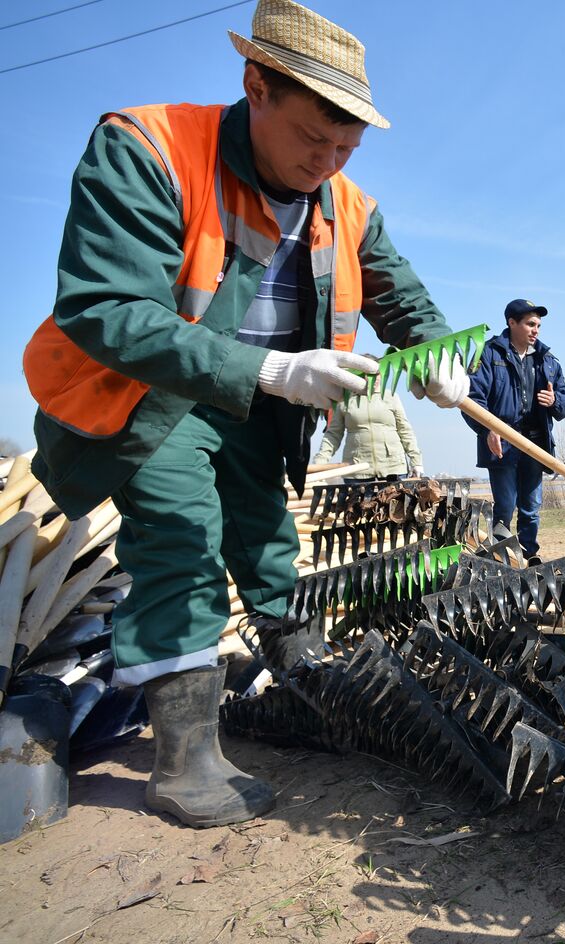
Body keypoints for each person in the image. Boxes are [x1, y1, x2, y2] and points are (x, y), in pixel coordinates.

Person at [21, 0, 471, 828]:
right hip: (154, 395)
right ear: (254, 85)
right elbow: (105, 307)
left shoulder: (347, 201)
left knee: (264, 533)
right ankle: (184, 759)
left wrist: (437, 354)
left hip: (260, 406)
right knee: (183, 541)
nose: (327, 161)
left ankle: (303, 672)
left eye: (346, 146)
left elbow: (398, 292)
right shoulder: (147, 146)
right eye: (313, 139)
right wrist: (266, 365)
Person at [464, 299, 565, 566]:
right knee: (504, 505)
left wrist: (554, 402)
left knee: (531, 507)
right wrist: (488, 428)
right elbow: (470, 399)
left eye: (538, 325)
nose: (535, 330)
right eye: (529, 324)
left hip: (535, 444)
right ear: (511, 323)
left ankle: (529, 554)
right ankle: (502, 557)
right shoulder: (487, 355)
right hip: (502, 442)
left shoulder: (547, 361)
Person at [312, 392, 425, 481]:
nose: (372, 378)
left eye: (376, 374)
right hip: (357, 469)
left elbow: (405, 430)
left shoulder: (391, 397)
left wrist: (416, 461)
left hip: (393, 467)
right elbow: (333, 434)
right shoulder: (344, 400)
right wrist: (320, 462)